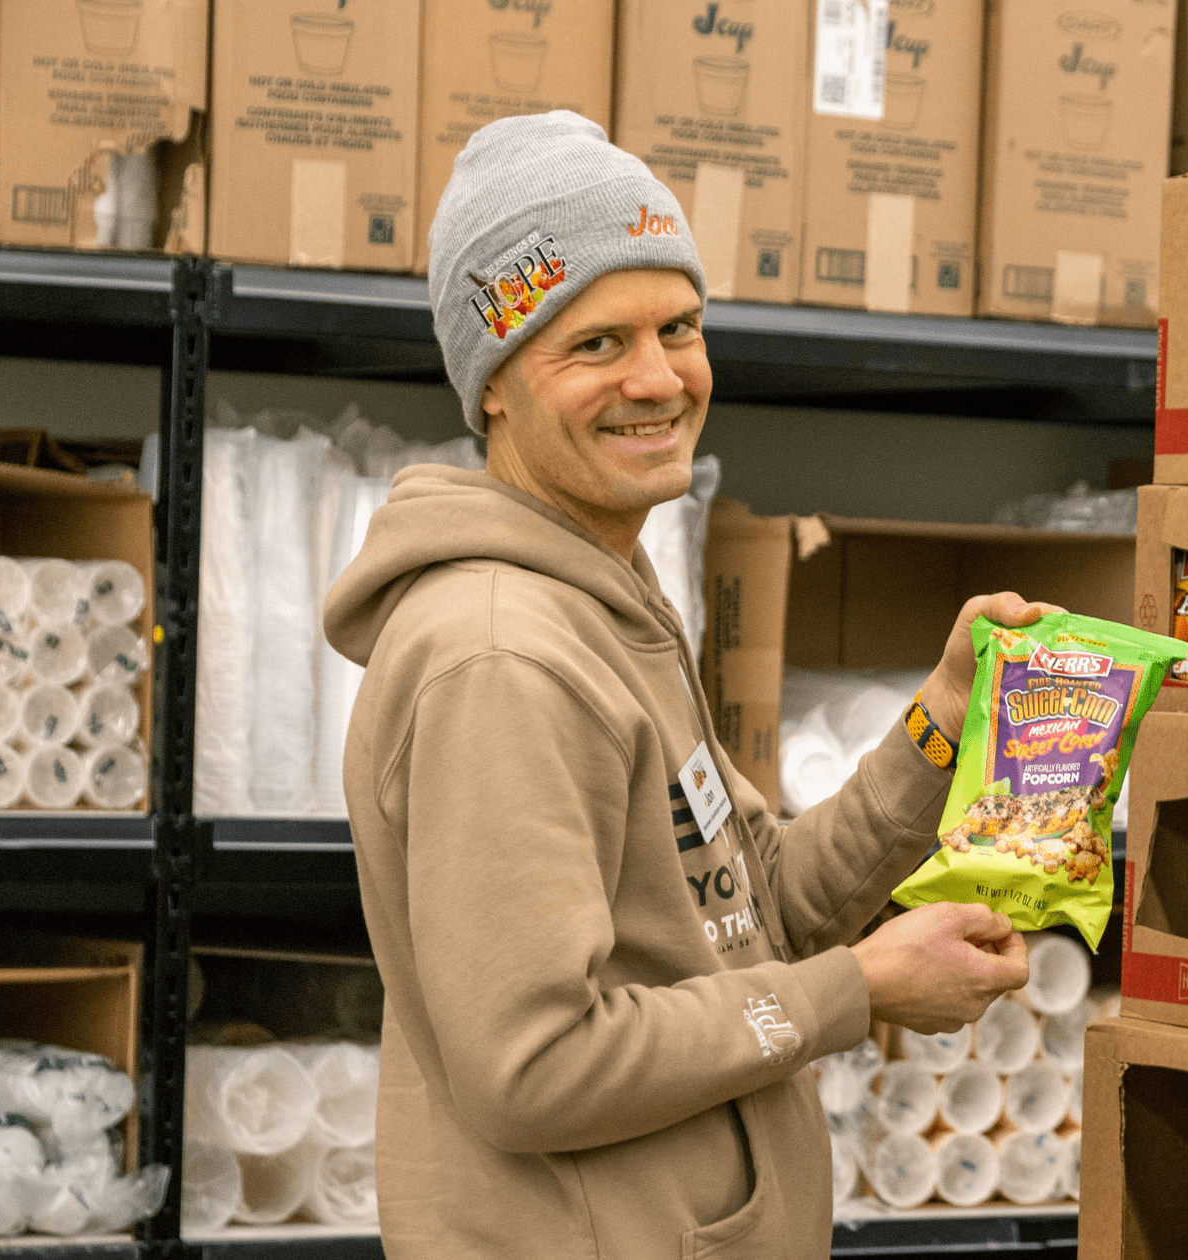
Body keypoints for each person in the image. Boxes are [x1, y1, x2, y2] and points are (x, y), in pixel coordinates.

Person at [323, 111, 1044, 1259]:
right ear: (496, 381)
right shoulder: (501, 659)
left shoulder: (609, 602)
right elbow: (534, 1067)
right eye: (596, 344)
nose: (658, 378)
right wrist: (853, 993)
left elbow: (756, 913)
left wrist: (939, 727)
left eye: (680, 327)